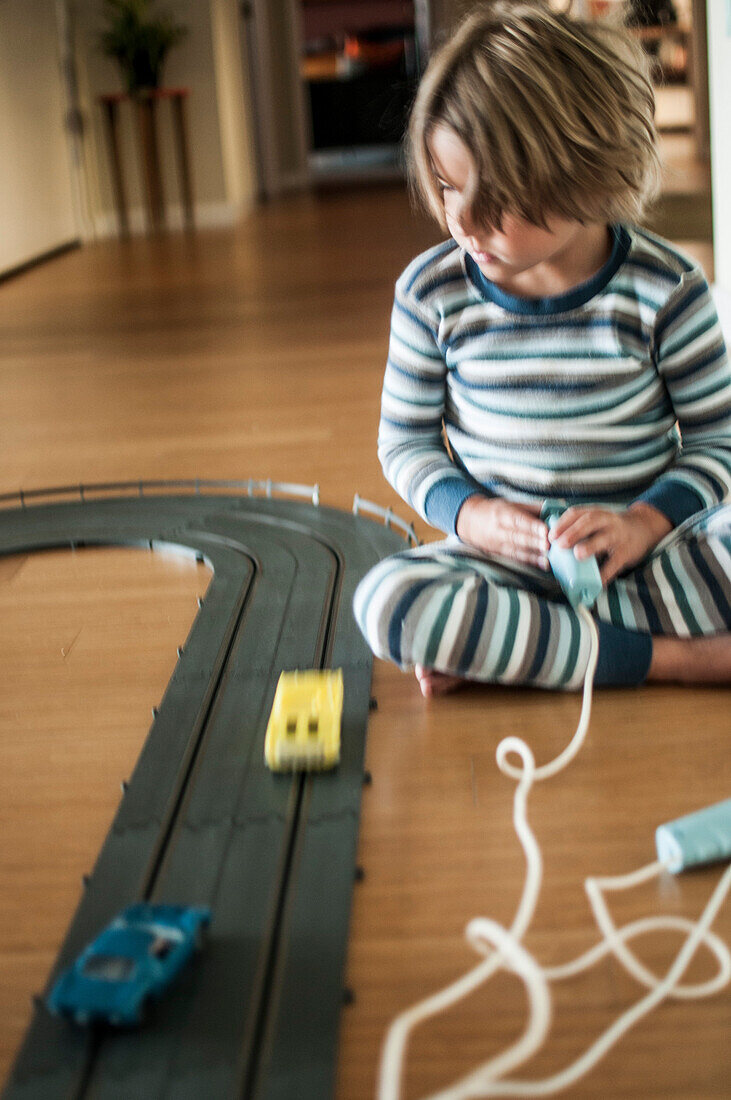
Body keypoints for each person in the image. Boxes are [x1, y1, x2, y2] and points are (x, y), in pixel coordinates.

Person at [353, 0, 731, 694]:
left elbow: (718, 442)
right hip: (505, 563)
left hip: (650, 556)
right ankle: (680, 659)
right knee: (385, 602)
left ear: (585, 176)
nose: (459, 220)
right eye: (444, 186)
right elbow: (404, 444)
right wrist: (472, 516)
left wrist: (642, 524)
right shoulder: (428, 295)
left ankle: (522, 645)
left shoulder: (667, 289)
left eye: (491, 196)